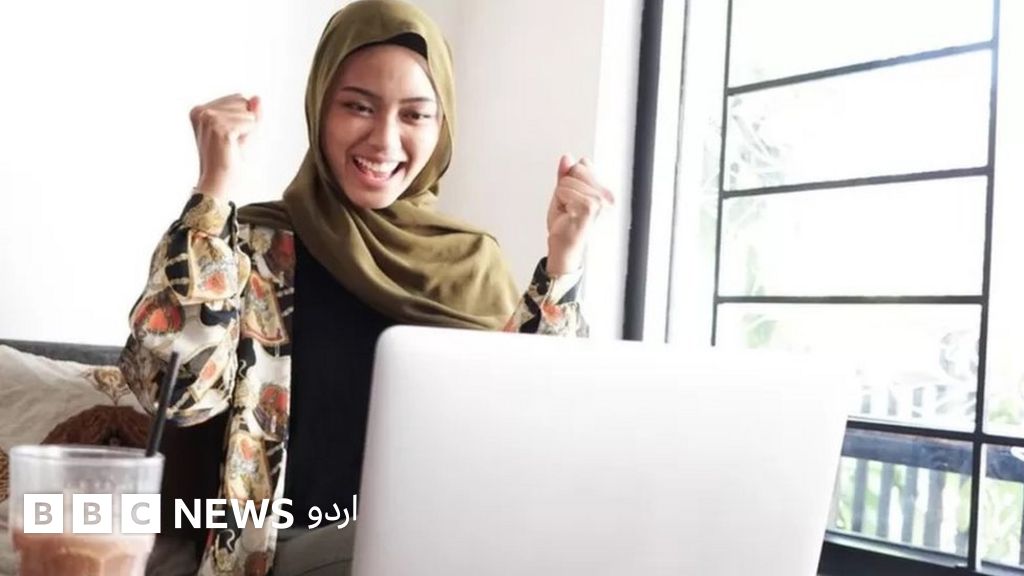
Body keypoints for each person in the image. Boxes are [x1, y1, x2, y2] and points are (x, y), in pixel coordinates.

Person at [120, 0, 613, 574]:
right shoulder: (250, 246)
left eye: (415, 115)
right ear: (319, 107)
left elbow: (539, 438)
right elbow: (179, 393)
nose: (384, 140)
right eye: (358, 106)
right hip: (277, 554)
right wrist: (214, 187)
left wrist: (564, 257)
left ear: (442, 126)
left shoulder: (473, 265)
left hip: (432, 553)